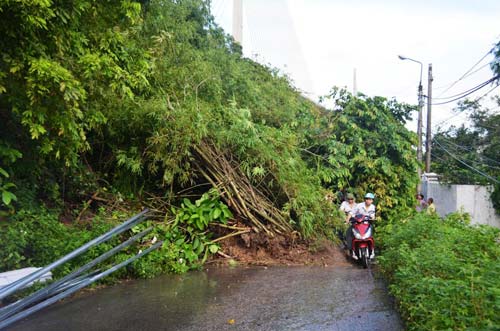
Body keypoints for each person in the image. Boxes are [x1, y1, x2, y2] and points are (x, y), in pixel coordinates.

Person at [345, 193, 376, 259]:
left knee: (372, 234)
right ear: (365, 200)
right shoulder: (359, 205)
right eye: (367, 199)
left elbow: (373, 216)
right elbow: (351, 212)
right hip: (357, 224)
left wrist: (373, 219)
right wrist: (348, 219)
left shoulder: (372, 207)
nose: (368, 200)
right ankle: (349, 249)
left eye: (370, 199)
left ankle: (372, 250)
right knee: (348, 232)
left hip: (366, 225)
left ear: (372, 200)